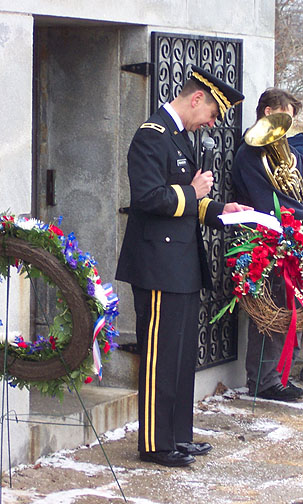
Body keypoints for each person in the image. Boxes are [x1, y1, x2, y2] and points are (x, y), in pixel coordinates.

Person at [116, 65, 252, 467]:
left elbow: (189, 201)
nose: (210, 123)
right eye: (211, 114)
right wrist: (193, 194)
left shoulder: (178, 137)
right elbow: (148, 198)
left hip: (181, 263)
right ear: (196, 99)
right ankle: (156, 444)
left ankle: (177, 435)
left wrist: (220, 209)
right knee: (160, 356)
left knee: (179, 356)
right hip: (157, 264)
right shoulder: (151, 135)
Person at [232, 87, 303, 402]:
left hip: (288, 237)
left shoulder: (283, 150)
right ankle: (264, 382)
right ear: (267, 112)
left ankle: (280, 377)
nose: (287, 126)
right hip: (266, 239)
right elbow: (272, 201)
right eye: (284, 117)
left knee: (289, 307)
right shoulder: (250, 153)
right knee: (272, 311)